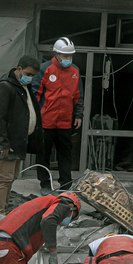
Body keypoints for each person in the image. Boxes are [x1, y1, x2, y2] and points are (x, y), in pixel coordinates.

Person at [0, 56, 41, 212]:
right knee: (4, 178)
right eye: (28, 74)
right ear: (19, 69)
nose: (30, 78)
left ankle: (3, 207)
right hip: (8, 144)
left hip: (18, 142)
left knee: (12, 177)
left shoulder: (22, 87)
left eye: (32, 75)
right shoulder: (5, 87)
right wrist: (2, 142)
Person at [36, 38, 82, 190]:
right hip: (45, 120)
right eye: (65, 56)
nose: (68, 59)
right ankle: (44, 184)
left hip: (65, 121)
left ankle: (66, 184)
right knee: (43, 154)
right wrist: (35, 116)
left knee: (65, 154)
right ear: (56, 53)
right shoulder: (44, 69)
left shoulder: (75, 71)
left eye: (70, 56)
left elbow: (78, 96)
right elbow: (36, 93)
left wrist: (78, 115)